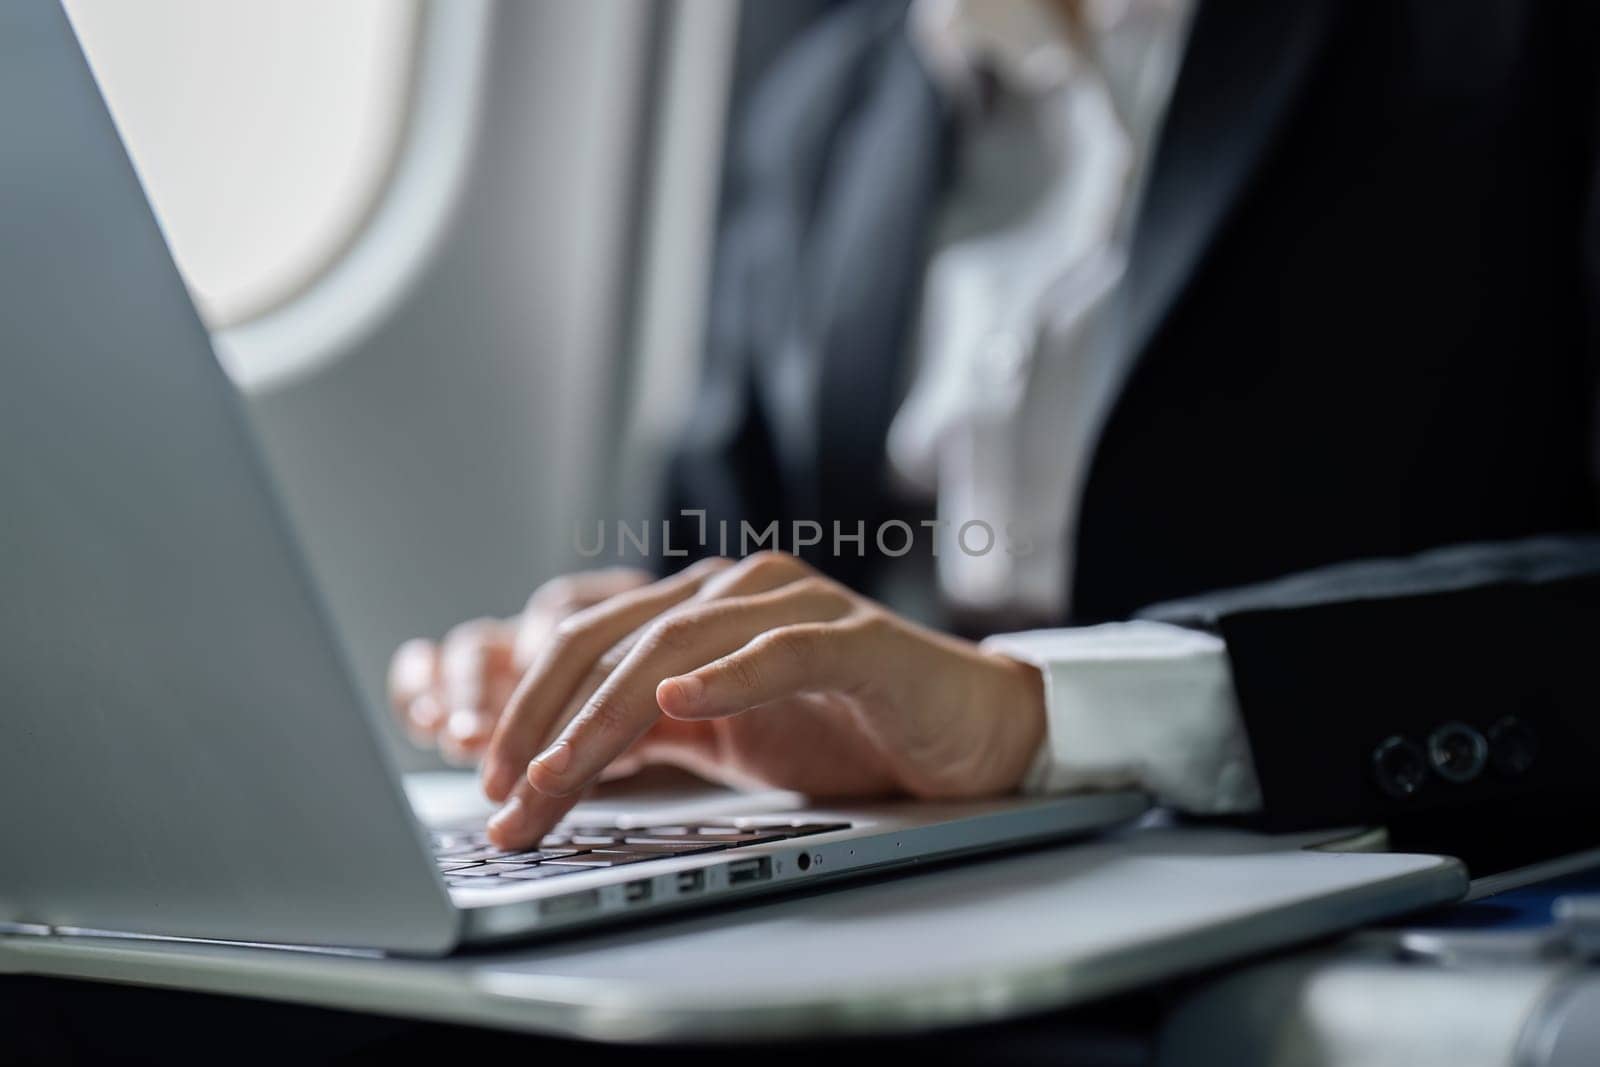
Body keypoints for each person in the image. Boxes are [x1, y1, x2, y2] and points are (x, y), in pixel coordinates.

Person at [390, 0, 1600, 868]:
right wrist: (641, 690)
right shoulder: (827, 105)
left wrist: (1044, 712)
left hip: (1356, 853)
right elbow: (722, 547)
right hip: (914, 860)